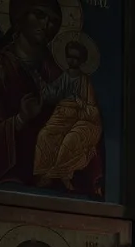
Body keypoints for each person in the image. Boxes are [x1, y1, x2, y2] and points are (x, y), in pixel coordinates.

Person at [0, 0, 105, 198]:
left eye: (54, 21)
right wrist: (20, 120)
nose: (47, 25)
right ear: (20, 16)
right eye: (39, 15)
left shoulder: (57, 71)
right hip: (10, 186)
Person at [33, 39, 103, 191]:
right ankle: (44, 175)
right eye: (70, 56)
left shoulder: (84, 81)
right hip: (62, 116)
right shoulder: (64, 76)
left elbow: (92, 110)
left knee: (70, 140)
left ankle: (59, 176)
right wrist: (41, 83)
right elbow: (52, 94)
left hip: (81, 119)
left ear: (82, 60)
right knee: (44, 135)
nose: (73, 61)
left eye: (76, 58)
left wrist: (78, 102)